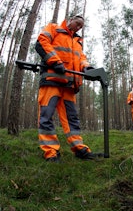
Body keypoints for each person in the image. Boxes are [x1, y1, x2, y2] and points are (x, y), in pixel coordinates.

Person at [34, 15, 97, 162]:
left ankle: (79, 148)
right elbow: (41, 42)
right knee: (46, 116)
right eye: (78, 23)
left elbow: (81, 57)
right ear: (70, 20)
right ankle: (50, 152)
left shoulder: (77, 41)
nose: (79, 27)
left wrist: (87, 67)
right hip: (51, 80)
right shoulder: (54, 28)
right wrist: (55, 61)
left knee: (72, 119)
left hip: (69, 85)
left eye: (81, 26)